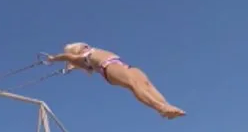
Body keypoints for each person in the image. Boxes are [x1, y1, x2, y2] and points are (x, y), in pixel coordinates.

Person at [46, 43, 186, 119]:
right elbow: (65, 56)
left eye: (84, 45)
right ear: (77, 51)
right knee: (134, 84)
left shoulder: (93, 50)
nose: (85, 46)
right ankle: (160, 107)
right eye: (81, 47)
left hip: (123, 64)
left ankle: (166, 107)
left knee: (147, 85)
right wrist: (53, 59)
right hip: (108, 68)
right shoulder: (80, 58)